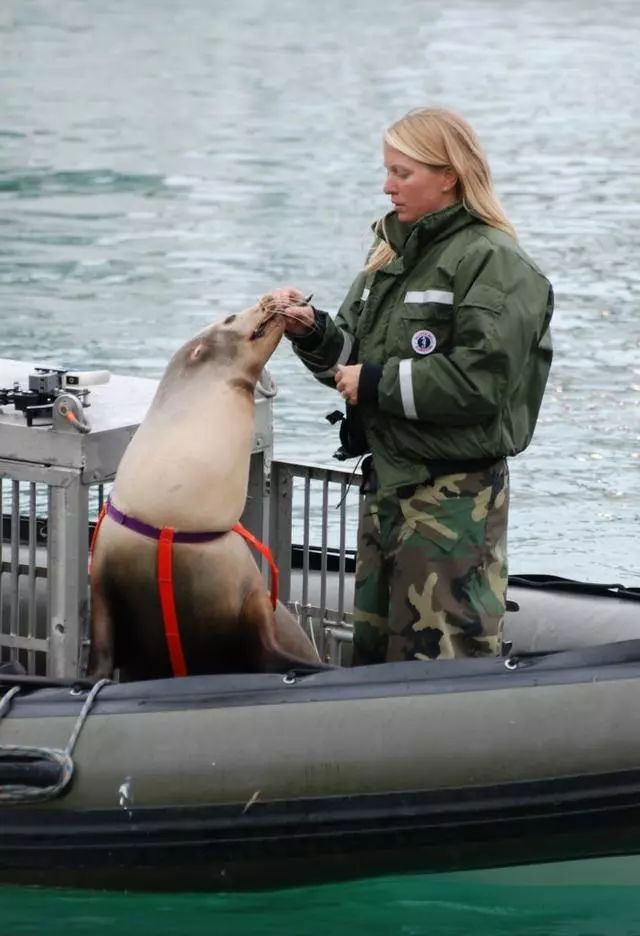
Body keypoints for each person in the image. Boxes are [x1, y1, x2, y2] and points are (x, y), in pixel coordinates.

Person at [270, 106, 553, 666]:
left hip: (452, 503)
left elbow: (480, 384)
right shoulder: (389, 257)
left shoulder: (495, 262)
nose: (387, 185)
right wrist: (313, 331)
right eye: (388, 171)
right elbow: (351, 358)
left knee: (445, 662)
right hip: (388, 489)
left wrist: (373, 382)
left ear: (447, 175)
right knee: (375, 658)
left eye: (403, 172)